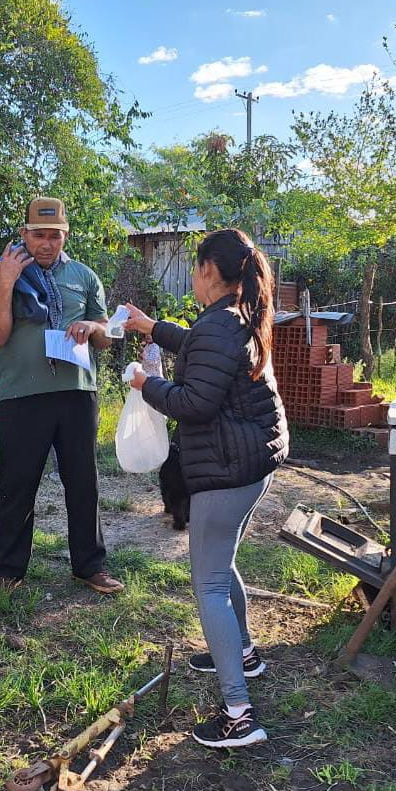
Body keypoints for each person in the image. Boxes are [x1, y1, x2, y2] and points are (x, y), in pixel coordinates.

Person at [124, 228, 289, 749]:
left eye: (195, 270)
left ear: (209, 273)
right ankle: (244, 652)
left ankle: (239, 715)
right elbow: (202, 344)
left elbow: (195, 402)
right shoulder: (233, 316)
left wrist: (144, 385)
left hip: (227, 468)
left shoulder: (221, 325)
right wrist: (153, 329)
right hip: (251, 462)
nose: (194, 279)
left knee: (210, 584)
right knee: (223, 565)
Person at [0, 197, 124, 595]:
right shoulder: (0, 274)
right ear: (24, 234)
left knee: (83, 482)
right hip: (22, 394)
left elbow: (106, 335)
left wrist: (91, 329)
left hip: (76, 391)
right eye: (39, 235)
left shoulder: (83, 275)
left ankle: (89, 566)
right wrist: (8, 282)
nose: (47, 244)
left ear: (66, 236)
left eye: (55, 236)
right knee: (17, 483)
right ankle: (8, 573)